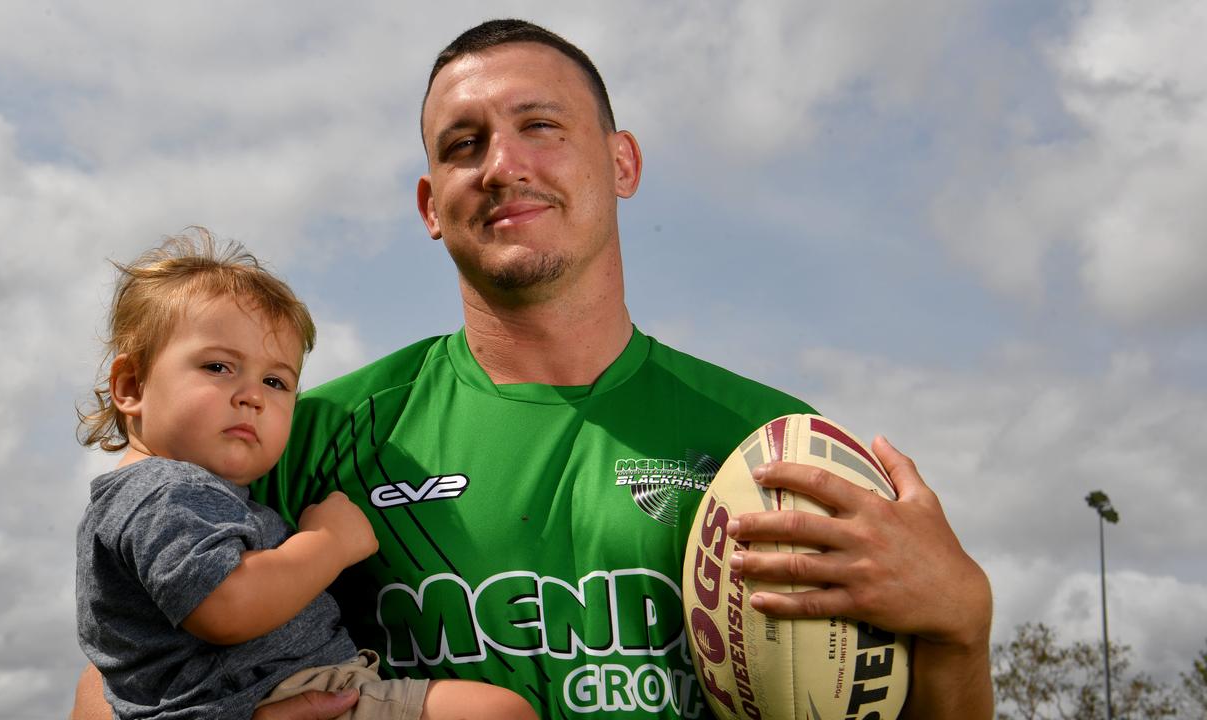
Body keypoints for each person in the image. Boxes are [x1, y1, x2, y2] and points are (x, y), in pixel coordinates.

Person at [75, 19, 994, 720]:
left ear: (620, 161)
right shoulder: (313, 433)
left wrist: (959, 627)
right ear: (433, 205)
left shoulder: (766, 448)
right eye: (464, 144)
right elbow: (118, 672)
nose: (502, 166)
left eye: (540, 126)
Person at [74, 231, 534, 720]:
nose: (252, 395)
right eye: (218, 366)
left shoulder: (171, 494)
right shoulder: (162, 491)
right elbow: (229, 606)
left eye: (275, 381)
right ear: (131, 385)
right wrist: (329, 541)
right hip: (275, 696)